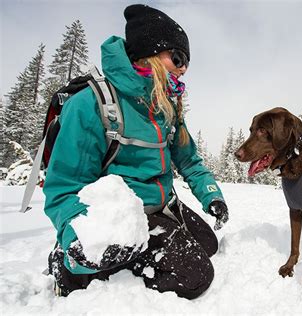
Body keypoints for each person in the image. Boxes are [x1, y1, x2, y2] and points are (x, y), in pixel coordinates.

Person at [44, 4, 229, 300]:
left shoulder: (165, 108)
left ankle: (134, 251)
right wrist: (76, 236)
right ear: (149, 52)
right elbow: (64, 186)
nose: (183, 70)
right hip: (122, 216)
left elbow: (189, 160)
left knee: (208, 244)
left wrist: (212, 195)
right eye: (178, 58)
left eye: (186, 64)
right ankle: (69, 267)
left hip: (161, 205)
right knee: (196, 275)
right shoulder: (92, 105)